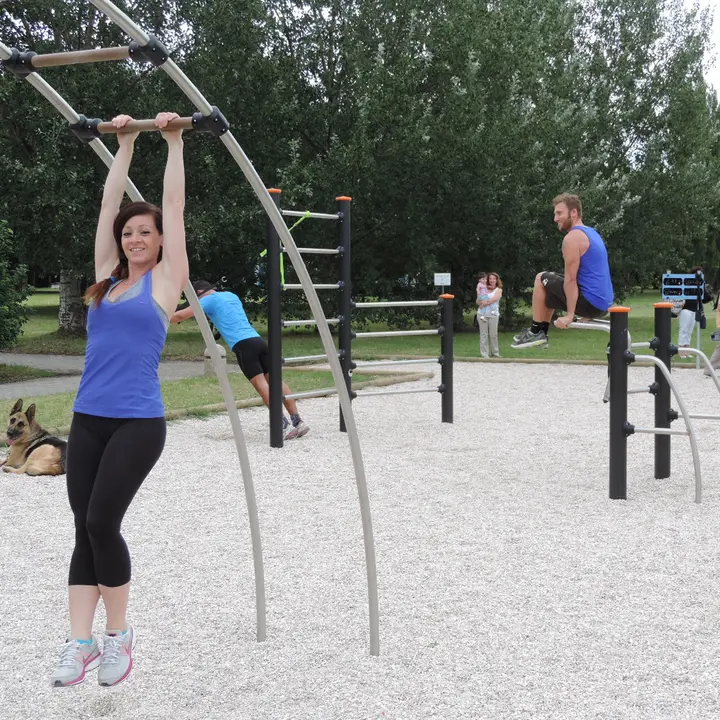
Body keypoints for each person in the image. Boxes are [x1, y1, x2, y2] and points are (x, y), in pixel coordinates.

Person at [51, 113, 189, 688]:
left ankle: (118, 636)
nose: (134, 238)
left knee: (104, 520)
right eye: (129, 233)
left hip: (137, 421)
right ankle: (79, 643)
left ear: (158, 243)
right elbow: (108, 208)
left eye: (145, 233)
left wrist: (173, 142)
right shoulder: (106, 279)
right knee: (83, 526)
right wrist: (126, 144)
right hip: (87, 419)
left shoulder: (165, 279)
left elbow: (174, 207)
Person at [171, 281, 309, 440]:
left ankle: (280, 422)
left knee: (260, 383)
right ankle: (297, 421)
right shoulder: (231, 296)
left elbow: (180, 315)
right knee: (275, 381)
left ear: (200, 292)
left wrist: (159, 315)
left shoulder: (207, 300)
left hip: (243, 346)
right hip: (258, 341)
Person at [512, 193, 614, 349]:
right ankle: (540, 335)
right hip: (603, 304)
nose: (555, 218)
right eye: (555, 214)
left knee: (541, 278)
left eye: (559, 213)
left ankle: (536, 332)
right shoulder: (592, 233)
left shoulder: (572, 238)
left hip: (590, 303)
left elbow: (571, 280)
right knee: (549, 289)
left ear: (573, 213)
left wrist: (570, 316)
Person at [678, 266, 712, 359]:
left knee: (689, 331)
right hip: (686, 309)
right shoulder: (687, 282)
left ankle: (687, 351)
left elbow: (704, 297)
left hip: (694, 309)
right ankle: (681, 351)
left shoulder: (700, 284)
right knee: (683, 330)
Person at [477, 272, 503, 358]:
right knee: (483, 335)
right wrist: (481, 302)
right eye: (490, 278)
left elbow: (494, 300)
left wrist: (483, 303)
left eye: (494, 279)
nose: (492, 280)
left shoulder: (498, 290)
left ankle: (495, 353)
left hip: (493, 314)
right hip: (482, 314)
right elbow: (477, 301)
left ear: (496, 280)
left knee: (493, 335)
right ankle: (484, 354)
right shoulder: (483, 288)